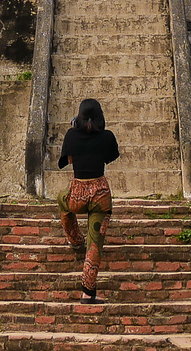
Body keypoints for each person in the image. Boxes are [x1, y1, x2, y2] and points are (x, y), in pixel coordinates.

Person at [56, 97, 120, 304]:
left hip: (77, 195)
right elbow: (109, 157)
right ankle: (88, 293)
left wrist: (76, 130)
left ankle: (75, 238)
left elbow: (68, 160)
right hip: (100, 196)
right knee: (94, 246)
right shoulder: (107, 137)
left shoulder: (71, 135)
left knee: (61, 199)